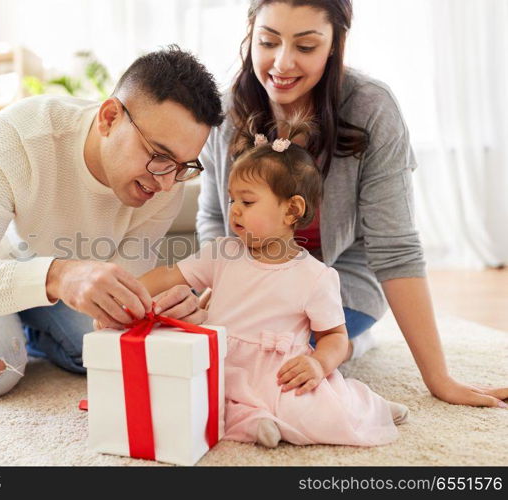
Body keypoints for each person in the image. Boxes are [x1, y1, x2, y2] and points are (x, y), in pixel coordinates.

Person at [196, 0, 508, 408]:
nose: (282, 62)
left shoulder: (372, 109)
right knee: (220, 344)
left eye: (305, 47)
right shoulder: (227, 112)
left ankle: (344, 341)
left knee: (274, 352)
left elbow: (395, 250)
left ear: (334, 45)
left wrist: (440, 380)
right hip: (254, 275)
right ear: (250, 33)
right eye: (268, 41)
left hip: (339, 279)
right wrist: (219, 283)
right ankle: (341, 345)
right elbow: (215, 216)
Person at [0, 46, 223, 398]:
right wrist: (58, 275)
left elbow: (123, 294)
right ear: (109, 118)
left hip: (58, 287)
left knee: (105, 353)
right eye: (159, 156)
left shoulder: (166, 184)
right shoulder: (20, 135)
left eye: (183, 166)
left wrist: (165, 310)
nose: (165, 182)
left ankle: (29, 328)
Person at [138, 117, 409, 447]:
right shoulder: (222, 252)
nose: (235, 211)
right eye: (232, 200)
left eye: (247, 202)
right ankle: (255, 423)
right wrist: (129, 291)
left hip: (277, 372)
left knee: (318, 413)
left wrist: (317, 362)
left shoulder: (316, 277)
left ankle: (366, 407)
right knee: (198, 402)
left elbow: (334, 337)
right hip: (220, 362)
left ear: (292, 210)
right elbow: (169, 275)